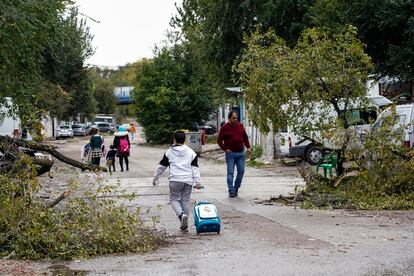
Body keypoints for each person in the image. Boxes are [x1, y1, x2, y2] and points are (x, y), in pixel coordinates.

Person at [153, 130, 202, 232]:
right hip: (188, 180)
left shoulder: (169, 152)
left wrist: (156, 177)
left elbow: (162, 166)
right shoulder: (191, 152)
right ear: (185, 139)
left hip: (175, 180)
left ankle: (181, 215)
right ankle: (185, 223)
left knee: (174, 200)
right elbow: (195, 168)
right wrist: (198, 182)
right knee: (185, 200)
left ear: (174, 139)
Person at [217, 111, 251, 198]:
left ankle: (236, 188)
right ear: (229, 118)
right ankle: (231, 191)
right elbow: (219, 140)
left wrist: (248, 147)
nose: (235, 119)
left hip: (240, 153)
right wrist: (225, 149)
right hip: (230, 154)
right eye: (233, 118)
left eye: (236, 118)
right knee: (230, 172)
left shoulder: (240, 126)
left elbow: (245, 137)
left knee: (241, 171)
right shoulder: (224, 128)